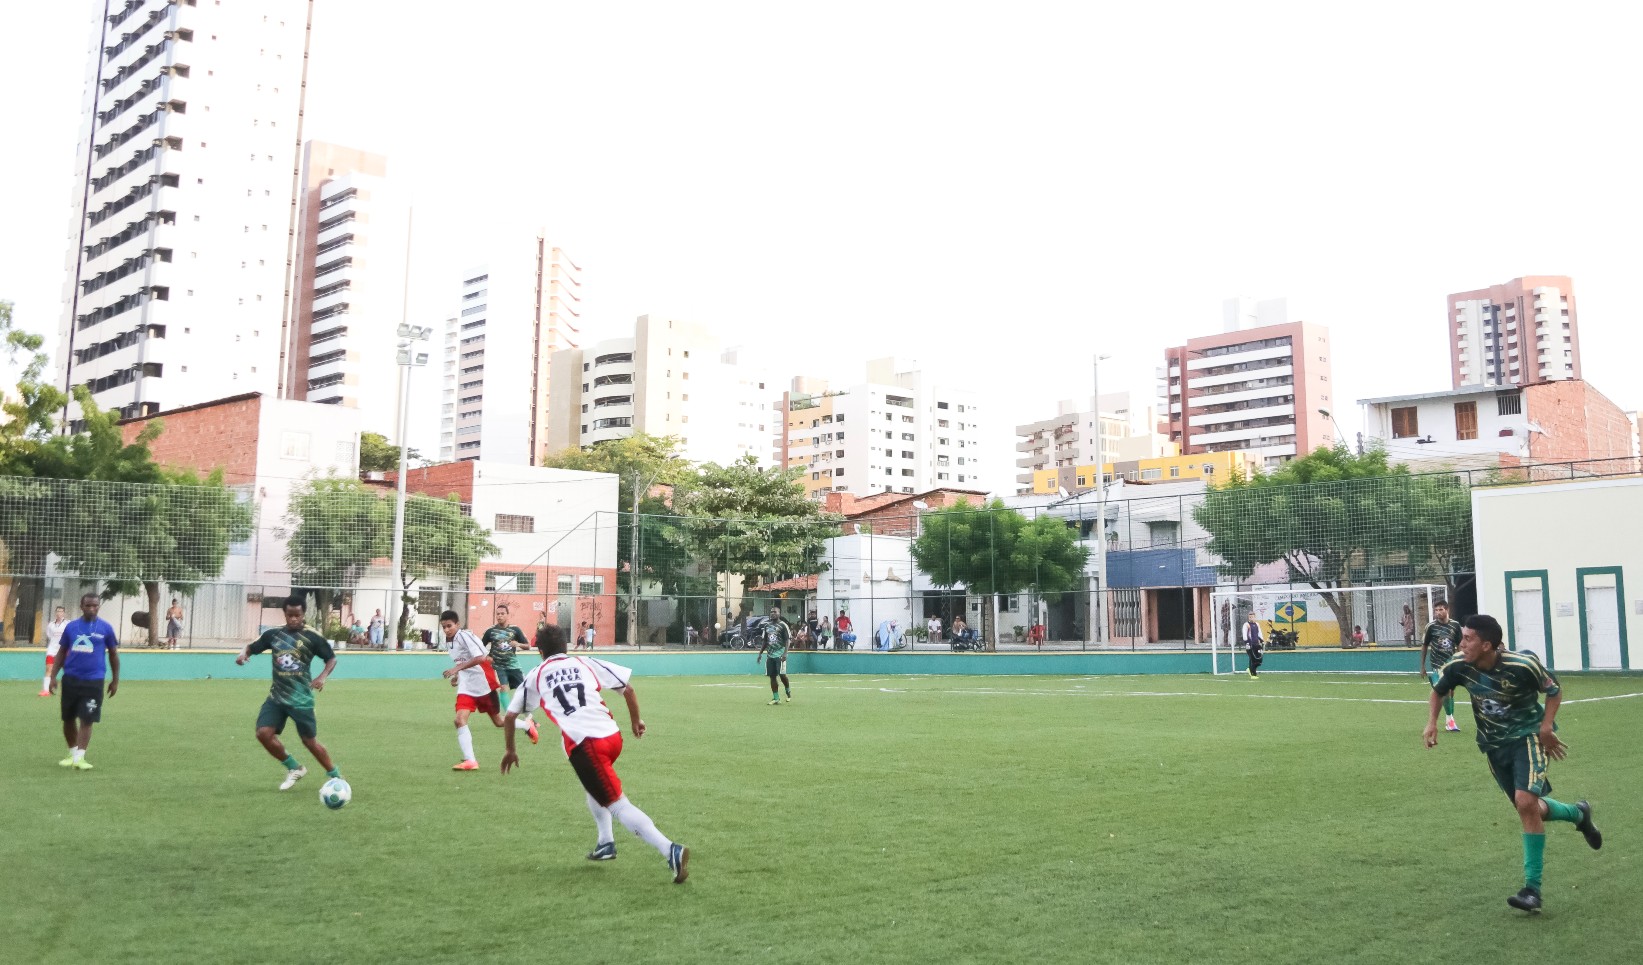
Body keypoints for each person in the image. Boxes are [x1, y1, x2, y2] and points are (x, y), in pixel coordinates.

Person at [1424, 614, 1602, 913]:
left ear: (1487, 645)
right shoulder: (1458, 665)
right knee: (1530, 808)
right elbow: (1438, 690)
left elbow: (1553, 690)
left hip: (1527, 738)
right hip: (1493, 747)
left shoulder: (1521, 665)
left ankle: (1532, 889)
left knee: (1524, 803)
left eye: (1467, 638)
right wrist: (1431, 722)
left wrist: (1546, 727)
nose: (1461, 642)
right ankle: (1578, 814)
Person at [501, 625, 691, 883]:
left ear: (540, 651)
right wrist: (636, 721)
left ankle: (669, 849)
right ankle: (606, 842)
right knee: (591, 784)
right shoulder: (584, 662)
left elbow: (511, 715)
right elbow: (628, 688)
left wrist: (511, 750)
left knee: (618, 804)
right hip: (612, 737)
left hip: (587, 745)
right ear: (566, 647)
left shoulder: (537, 674)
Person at [235, 597, 343, 790]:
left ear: (303, 615)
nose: (293, 619)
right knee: (263, 733)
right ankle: (294, 767)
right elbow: (252, 647)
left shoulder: (313, 637)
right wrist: (244, 654)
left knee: (309, 742)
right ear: (285, 614)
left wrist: (322, 677)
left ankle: (335, 776)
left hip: (301, 698)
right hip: (277, 697)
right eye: (290, 615)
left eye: (297, 615)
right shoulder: (274, 635)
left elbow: (331, 658)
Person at [440, 609, 537, 770]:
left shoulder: (465, 636)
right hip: (467, 686)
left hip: (484, 682)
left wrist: (456, 669)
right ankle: (470, 761)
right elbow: (463, 660)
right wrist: (458, 676)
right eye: (443, 627)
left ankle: (527, 726)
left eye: (449, 626)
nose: (446, 630)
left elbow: (480, 657)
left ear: (457, 624)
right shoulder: (448, 640)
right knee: (459, 720)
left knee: (499, 722)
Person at [48, 594, 120, 770]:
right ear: (81, 606)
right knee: (68, 719)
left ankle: (80, 757)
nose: (92, 609)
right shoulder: (72, 627)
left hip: (94, 681)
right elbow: (61, 652)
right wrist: (53, 677)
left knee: (87, 719)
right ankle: (72, 753)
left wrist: (115, 680)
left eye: (95, 606)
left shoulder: (106, 628)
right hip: (71, 679)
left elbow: (113, 654)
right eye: (88, 605)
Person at [482, 604, 533, 728]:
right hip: (498, 666)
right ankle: (511, 717)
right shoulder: (490, 631)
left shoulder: (515, 630)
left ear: (507, 615)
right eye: (497, 614)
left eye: (502, 614)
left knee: (522, 691)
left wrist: (517, 644)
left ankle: (529, 718)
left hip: (513, 665)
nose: (499, 616)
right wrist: (487, 656)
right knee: (503, 688)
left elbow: (528, 646)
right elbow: (479, 647)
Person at [1420, 601, 1465, 733]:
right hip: (1436, 665)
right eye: (1436, 610)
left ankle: (1448, 718)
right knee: (1444, 692)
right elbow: (1424, 646)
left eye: (1440, 609)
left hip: (1451, 663)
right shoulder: (1431, 627)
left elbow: (1460, 644)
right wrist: (1422, 666)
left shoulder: (1455, 626)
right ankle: (1450, 720)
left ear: (1447, 610)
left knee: (1450, 692)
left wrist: (1460, 660)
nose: (1438, 612)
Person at [754, 606, 793, 705]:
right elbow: (765, 641)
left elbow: (787, 640)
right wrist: (760, 654)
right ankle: (776, 698)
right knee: (772, 676)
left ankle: (788, 690)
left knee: (782, 675)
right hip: (770, 655)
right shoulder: (767, 626)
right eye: (771, 612)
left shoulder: (783, 625)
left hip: (780, 654)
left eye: (775, 612)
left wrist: (785, 653)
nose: (772, 613)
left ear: (779, 613)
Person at [40, 605, 70, 697]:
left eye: (61, 611)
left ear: (64, 613)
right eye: (57, 611)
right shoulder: (51, 625)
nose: (59, 613)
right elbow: (50, 635)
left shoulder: (68, 624)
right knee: (49, 669)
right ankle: (45, 690)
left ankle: (69, 691)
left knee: (68, 671)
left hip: (64, 651)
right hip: (52, 650)